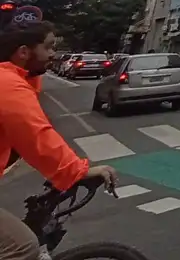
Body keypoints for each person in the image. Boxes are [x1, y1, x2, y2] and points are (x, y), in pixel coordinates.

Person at [1, 21, 117, 260]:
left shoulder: (14, 80)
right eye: (48, 47)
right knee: (22, 247)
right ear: (23, 52)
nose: (53, 54)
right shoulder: (8, 84)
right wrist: (77, 172)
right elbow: (35, 135)